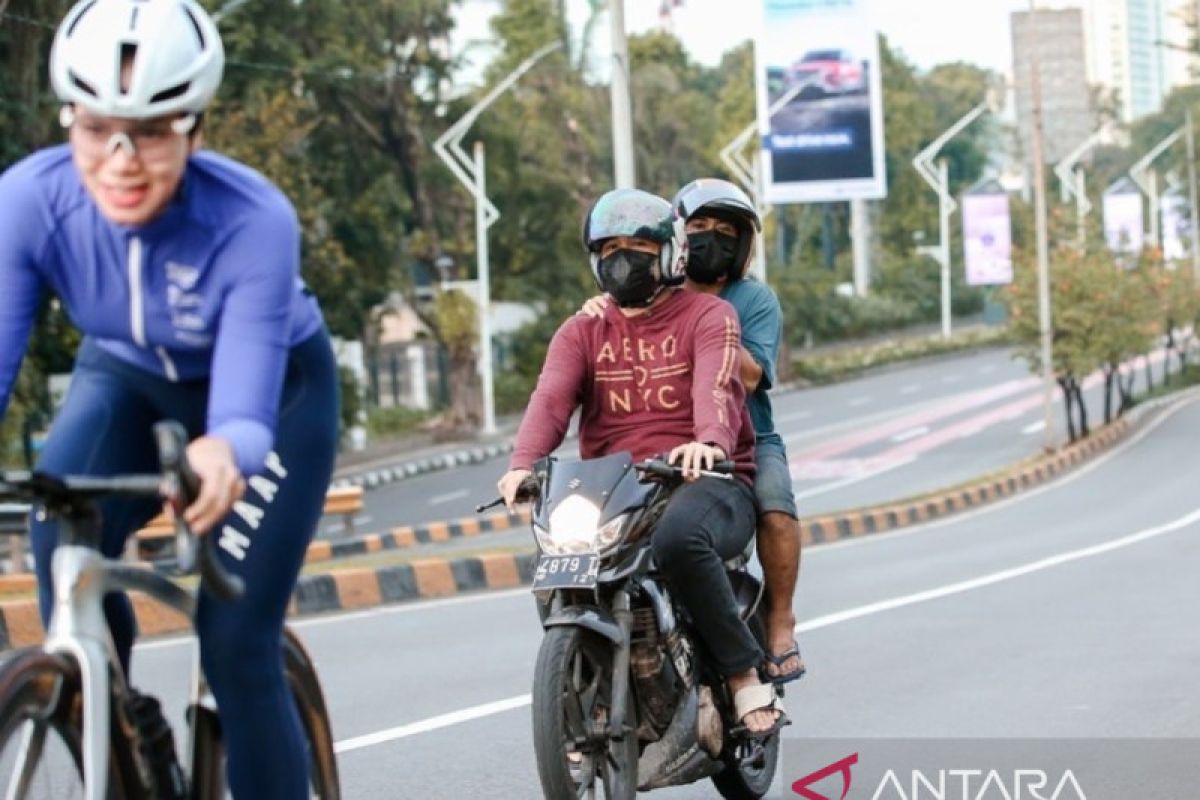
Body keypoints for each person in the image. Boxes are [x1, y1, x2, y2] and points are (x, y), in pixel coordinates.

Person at [0, 1, 339, 797]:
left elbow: (245, 411)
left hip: (276, 398)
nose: (120, 159)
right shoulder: (26, 202)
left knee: (233, 637)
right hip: (124, 381)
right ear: (69, 121)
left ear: (193, 128)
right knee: (61, 546)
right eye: (95, 129)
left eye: (150, 132)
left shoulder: (254, 218)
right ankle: (118, 729)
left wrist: (225, 453)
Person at [497, 188, 786, 736]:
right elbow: (552, 398)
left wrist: (709, 441)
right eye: (611, 248)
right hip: (615, 489)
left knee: (678, 541)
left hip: (705, 480)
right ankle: (586, 697)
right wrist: (523, 463)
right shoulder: (581, 330)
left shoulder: (710, 315)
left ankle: (743, 674)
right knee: (558, 562)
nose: (623, 258)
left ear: (671, 254)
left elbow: (717, 387)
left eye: (639, 246)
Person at [581, 178, 805, 685]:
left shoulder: (752, 300)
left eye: (724, 231)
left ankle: (779, 620)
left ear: (742, 243)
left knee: (773, 503)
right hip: (656, 442)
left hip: (740, 438)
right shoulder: (651, 286)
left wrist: (710, 329)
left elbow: (749, 376)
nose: (710, 238)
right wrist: (604, 311)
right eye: (698, 227)